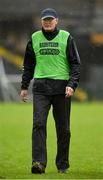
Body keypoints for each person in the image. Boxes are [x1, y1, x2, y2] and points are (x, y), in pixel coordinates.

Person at [20, 8, 80, 174]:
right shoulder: (34, 38)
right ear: (41, 21)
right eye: (45, 20)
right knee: (38, 124)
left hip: (62, 88)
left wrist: (72, 84)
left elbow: (75, 64)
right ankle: (38, 163)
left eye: (50, 20)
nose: (47, 22)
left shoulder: (66, 37)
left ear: (56, 21)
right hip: (41, 88)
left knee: (64, 129)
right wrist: (24, 86)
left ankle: (62, 165)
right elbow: (29, 65)